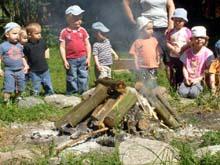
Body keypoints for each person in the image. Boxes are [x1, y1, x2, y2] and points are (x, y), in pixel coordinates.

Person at [123, 0, 175, 64]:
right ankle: (146, 71)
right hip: (147, 27)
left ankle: (167, 73)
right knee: (148, 53)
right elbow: (126, 2)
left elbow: (171, 6)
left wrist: (171, 22)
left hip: (163, 26)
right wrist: (131, 18)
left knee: (166, 56)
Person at [59, 5, 91, 95]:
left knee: (83, 75)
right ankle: (72, 93)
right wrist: (64, 60)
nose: (79, 21)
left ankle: (83, 92)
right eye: (76, 18)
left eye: (80, 18)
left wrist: (88, 58)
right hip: (71, 59)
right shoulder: (64, 32)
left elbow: (87, 44)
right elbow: (62, 47)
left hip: (83, 58)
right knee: (71, 77)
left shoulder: (83, 31)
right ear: (68, 19)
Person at [178, 26, 214, 98]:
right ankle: (186, 87)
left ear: (205, 40)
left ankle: (199, 90)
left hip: (200, 79)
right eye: (196, 38)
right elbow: (184, 66)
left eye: (202, 37)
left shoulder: (208, 53)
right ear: (192, 39)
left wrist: (198, 79)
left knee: (193, 94)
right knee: (182, 93)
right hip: (188, 78)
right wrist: (186, 77)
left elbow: (209, 70)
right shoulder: (187, 52)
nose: (199, 39)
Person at [0, 22, 29, 103]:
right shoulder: (3, 46)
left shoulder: (20, 45)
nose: (17, 35)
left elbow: (22, 56)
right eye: (14, 33)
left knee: (21, 86)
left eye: (18, 33)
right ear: (7, 34)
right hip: (9, 71)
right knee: (8, 87)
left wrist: (26, 65)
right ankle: (6, 101)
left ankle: (17, 98)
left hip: (20, 70)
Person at [129, 16, 161, 89]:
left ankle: (153, 92)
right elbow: (134, 54)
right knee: (143, 81)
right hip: (142, 66)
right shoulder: (138, 42)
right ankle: (143, 93)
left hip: (153, 65)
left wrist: (158, 59)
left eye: (152, 28)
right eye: (148, 29)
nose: (151, 31)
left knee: (153, 81)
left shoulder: (154, 40)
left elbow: (157, 51)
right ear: (141, 30)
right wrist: (136, 64)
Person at [23, 22, 54, 96]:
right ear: (29, 35)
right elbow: (24, 56)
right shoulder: (27, 46)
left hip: (44, 68)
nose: (39, 34)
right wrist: (26, 65)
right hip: (34, 70)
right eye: (37, 33)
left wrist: (47, 55)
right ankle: (35, 96)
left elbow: (47, 48)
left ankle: (50, 94)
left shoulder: (42, 42)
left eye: (40, 33)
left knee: (47, 83)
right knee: (35, 84)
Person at [166, 8, 191, 89]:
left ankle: (182, 85)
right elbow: (166, 42)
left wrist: (182, 49)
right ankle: (172, 85)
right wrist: (173, 48)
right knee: (172, 70)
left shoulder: (186, 31)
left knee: (182, 70)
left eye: (180, 20)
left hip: (184, 56)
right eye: (176, 20)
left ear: (184, 21)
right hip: (173, 55)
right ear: (173, 20)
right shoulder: (170, 32)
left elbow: (190, 43)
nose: (178, 22)